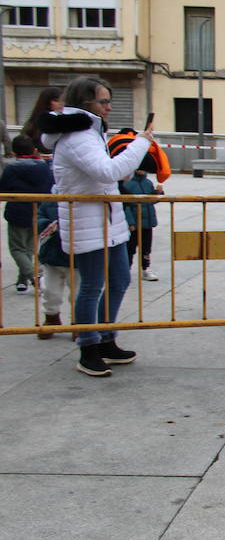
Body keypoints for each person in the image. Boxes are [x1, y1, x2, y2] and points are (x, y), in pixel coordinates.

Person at [38, 76, 153, 377]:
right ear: (85, 102)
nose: (109, 107)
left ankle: (105, 338)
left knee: (119, 280)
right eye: (103, 101)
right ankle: (88, 347)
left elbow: (105, 176)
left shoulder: (89, 132)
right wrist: (141, 142)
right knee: (91, 285)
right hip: (86, 222)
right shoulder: (78, 137)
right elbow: (108, 172)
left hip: (106, 219)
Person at [0, 134, 54, 293]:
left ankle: (36, 276)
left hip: (17, 213)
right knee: (29, 249)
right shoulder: (43, 167)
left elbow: (3, 188)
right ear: (34, 150)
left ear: (15, 152)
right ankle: (22, 281)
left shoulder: (11, 168)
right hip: (37, 212)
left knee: (17, 249)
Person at [33, 199, 72, 338]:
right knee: (49, 291)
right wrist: (46, 225)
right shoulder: (49, 201)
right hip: (51, 254)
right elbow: (38, 217)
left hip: (77, 257)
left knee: (78, 293)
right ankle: (51, 318)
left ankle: (79, 322)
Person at [119, 168, 160, 281]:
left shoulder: (148, 183)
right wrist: (130, 222)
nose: (142, 170)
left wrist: (158, 194)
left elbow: (151, 200)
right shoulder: (127, 184)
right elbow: (125, 205)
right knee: (130, 248)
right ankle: (125, 270)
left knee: (146, 248)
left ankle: (145, 268)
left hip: (147, 223)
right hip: (134, 224)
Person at [19, 86, 63, 152]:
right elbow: (24, 143)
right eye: (56, 100)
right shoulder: (33, 123)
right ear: (47, 102)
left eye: (62, 100)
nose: (61, 104)